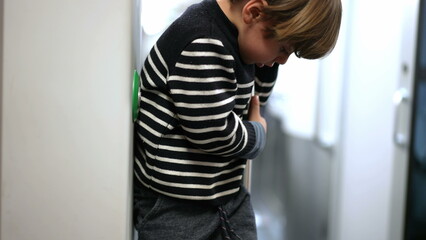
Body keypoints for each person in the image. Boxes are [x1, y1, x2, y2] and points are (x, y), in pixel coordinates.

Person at [133, 0, 341, 239]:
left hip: (223, 193)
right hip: (174, 202)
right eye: (283, 49)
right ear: (253, 12)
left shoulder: (242, 38)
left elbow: (256, 99)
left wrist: (267, 62)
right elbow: (214, 133)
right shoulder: (203, 40)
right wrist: (256, 135)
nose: (283, 60)